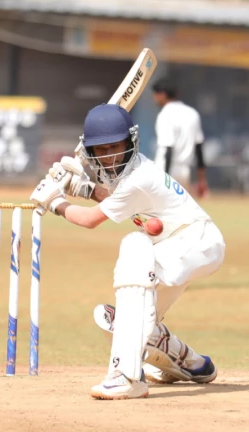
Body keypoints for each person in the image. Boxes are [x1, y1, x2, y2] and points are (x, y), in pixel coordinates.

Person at [29, 104, 225, 400]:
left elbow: (91, 220)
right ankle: (192, 364)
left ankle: (126, 376)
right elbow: (116, 198)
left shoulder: (138, 177)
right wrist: (81, 188)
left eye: (115, 147)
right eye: (101, 149)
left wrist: (56, 202)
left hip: (195, 242)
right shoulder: (131, 173)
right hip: (178, 246)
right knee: (123, 322)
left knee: (135, 246)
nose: (109, 155)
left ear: (131, 143)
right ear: (90, 151)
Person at [151, 79, 209, 198]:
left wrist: (165, 178)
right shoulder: (192, 113)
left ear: (162, 95)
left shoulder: (165, 115)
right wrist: (202, 179)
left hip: (166, 169)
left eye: (155, 95)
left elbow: (168, 148)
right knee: (179, 211)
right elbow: (199, 149)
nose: (154, 98)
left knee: (156, 211)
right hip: (184, 172)